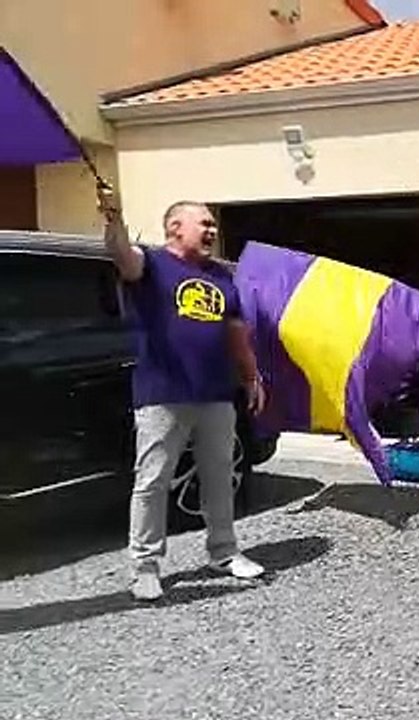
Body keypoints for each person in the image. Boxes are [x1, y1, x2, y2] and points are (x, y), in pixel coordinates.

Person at [95, 184, 267, 602]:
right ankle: (145, 566)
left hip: (215, 393)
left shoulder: (220, 277)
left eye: (212, 223)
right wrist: (114, 220)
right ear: (175, 227)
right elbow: (121, 255)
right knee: (153, 480)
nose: (212, 229)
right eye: (203, 222)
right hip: (162, 393)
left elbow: (236, 333)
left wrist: (251, 378)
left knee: (219, 477)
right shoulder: (151, 265)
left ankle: (224, 552)